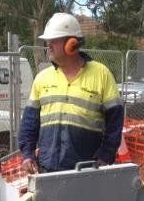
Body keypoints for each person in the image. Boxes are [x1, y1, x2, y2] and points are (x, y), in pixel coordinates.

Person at [18, 12, 124, 173]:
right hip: (47, 169)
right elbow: (29, 122)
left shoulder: (101, 74)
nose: (48, 45)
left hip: (86, 172)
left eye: (54, 40)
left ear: (72, 43)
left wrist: (106, 155)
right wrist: (27, 155)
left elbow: (115, 121)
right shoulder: (42, 78)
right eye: (48, 41)